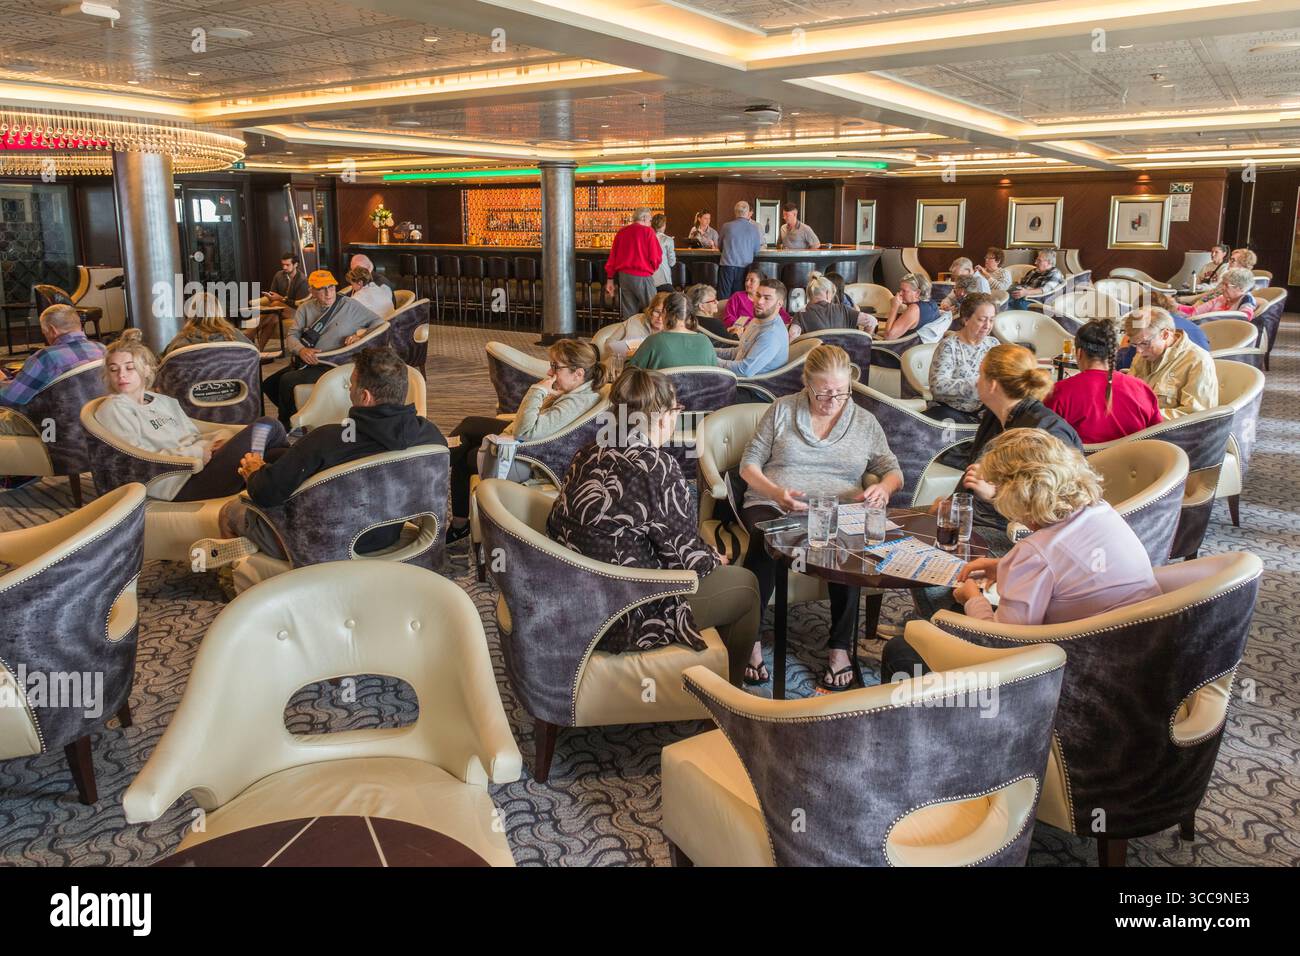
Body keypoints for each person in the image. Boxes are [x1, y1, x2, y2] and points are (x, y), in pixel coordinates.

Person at [881, 428, 1160, 679]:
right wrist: (1003, 565)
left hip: (1074, 673)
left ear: (1018, 493)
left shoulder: (1034, 553)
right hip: (1140, 656)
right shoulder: (1101, 511)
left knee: (902, 650)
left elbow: (1002, 644)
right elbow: (1069, 568)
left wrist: (971, 598)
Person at [546, 367, 761, 686]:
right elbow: (684, 558)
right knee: (746, 587)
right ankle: (728, 693)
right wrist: (713, 559)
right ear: (662, 417)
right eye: (676, 409)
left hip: (572, 592)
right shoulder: (658, 468)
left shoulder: (589, 451)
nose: (678, 416)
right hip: (627, 608)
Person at [738, 344, 903, 689]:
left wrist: (884, 489)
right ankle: (749, 639)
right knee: (768, 538)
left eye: (841, 393)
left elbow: (892, 470)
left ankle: (840, 648)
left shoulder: (864, 422)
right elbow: (748, 465)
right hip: (774, 501)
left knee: (848, 552)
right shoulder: (781, 409)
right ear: (806, 383)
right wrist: (774, 492)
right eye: (824, 392)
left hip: (836, 508)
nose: (832, 401)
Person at [199, 347, 446, 567]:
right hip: (387, 533)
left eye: (352, 386)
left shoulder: (326, 440)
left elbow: (265, 494)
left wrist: (254, 472)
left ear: (365, 397)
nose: (350, 390)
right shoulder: (431, 437)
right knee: (283, 457)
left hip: (316, 547)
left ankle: (238, 570)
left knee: (231, 510)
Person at [93, 330, 289, 502]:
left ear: (145, 369)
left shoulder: (161, 401)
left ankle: (286, 498)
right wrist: (198, 453)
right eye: (113, 370)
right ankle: (274, 489)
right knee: (267, 425)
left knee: (275, 456)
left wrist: (219, 439)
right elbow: (136, 460)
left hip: (202, 465)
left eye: (129, 367)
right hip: (179, 481)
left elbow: (193, 435)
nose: (121, 375)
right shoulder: (114, 408)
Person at [447, 339, 608, 539]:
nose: (550, 373)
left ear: (579, 373)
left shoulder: (575, 403)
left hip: (531, 457)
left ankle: (456, 519)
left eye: (556, 367)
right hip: (526, 440)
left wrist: (538, 390)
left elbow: (526, 432)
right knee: (470, 424)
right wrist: (548, 394)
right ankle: (436, 460)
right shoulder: (578, 390)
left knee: (468, 457)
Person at [263, 269, 387, 428]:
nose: (328, 293)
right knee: (269, 384)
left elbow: (379, 323)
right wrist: (301, 350)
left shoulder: (350, 305)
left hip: (334, 363)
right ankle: (301, 415)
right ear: (311, 291)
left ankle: (285, 424)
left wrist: (360, 336)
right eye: (321, 289)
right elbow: (292, 336)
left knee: (288, 381)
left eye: (331, 287)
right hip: (306, 361)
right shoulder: (305, 309)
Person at [1046, 319, 1162, 443]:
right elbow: (1157, 435)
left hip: (1081, 460)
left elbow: (1045, 439)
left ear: (1079, 353)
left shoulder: (1059, 391)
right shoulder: (1142, 389)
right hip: (1132, 460)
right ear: (1114, 351)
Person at [0, 304, 105, 438]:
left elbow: (10, 400)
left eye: (44, 333)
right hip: (95, 424)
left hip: (53, 426)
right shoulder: (102, 349)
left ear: (52, 330)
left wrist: (3, 381)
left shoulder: (46, 357)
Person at [1124, 307, 1218, 419]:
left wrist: (1143, 417)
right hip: (1135, 424)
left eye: (1144, 343)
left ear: (1165, 335)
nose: (1138, 351)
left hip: (1162, 433)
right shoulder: (1144, 354)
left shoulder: (1198, 361)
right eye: (1134, 344)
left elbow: (1197, 417)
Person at [926, 292, 998, 424]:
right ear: (966, 319)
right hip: (952, 412)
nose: (987, 326)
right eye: (982, 319)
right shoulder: (950, 346)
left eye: (991, 320)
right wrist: (978, 385)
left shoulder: (992, 344)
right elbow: (937, 386)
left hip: (984, 411)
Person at [1114, 290, 1209, 370]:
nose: (1139, 350)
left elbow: (1123, 364)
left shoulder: (1146, 331)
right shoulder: (1192, 325)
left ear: (1165, 335)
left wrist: (1124, 346)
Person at [716, 278, 790, 377]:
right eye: (758, 295)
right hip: (736, 377)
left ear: (779, 303)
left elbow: (744, 370)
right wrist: (708, 351)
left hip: (750, 387)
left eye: (767, 298)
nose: (759, 301)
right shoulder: (757, 320)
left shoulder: (771, 334)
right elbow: (739, 352)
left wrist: (710, 360)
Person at [629, 292, 715, 369]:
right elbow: (717, 376)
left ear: (665, 312)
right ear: (688, 316)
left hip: (661, 387)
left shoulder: (654, 341)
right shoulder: (705, 342)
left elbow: (629, 373)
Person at [603, 208, 662, 319]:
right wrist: (651, 269)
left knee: (629, 314)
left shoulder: (621, 232)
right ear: (644, 218)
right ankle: (651, 336)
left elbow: (612, 258)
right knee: (653, 310)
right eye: (650, 220)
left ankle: (631, 336)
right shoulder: (648, 231)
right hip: (642, 275)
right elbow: (656, 257)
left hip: (624, 277)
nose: (650, 223)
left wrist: (610, 278)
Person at [162, 292, 253, 356]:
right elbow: (254, 355)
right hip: (234, 383)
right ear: (219, 312)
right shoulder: (235, 336)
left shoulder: (179, 342)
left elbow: (161, 364)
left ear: (190, 313)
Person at [257, 252, 310, 349]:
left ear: (295, 264)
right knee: (273, 318)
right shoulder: (279, 275)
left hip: (296, 311)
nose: (284, 267)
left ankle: (250, 332)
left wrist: (280, 299)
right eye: (283, 265)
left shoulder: (302, 280)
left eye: (287, 265)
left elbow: (298, 305)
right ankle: (259, 351)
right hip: (279, 310)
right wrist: (270, 296)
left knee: (276, 304)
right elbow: (273, 292)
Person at [796, 272, 872, 334]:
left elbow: (792, 334)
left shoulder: (801, 314)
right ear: (827, 293)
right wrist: (862, 343)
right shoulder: (844, 310)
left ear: (809, 294)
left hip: (815, 352)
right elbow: (871, 321)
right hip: (843, 352)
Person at [603, 291, 670, 359]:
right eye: (657, 312)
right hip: (626, 364)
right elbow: (608, 344)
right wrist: (626, 353)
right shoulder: (636, 320)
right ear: (650, 310)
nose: (660, 318)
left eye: (665, 314)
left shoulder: (673, 330)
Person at [718, 201, 763, 298]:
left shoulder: (726, 226)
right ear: (747, 213)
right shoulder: (754, 228)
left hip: (727, 266)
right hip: (745, 267)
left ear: (735, 212)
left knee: (723, 296)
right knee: (740, 297)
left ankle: (723, 313)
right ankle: (738, 313)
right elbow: (756, 250)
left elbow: (720, 246)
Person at [724, 267, 792, 330]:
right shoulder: (737, 296)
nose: (747, 283)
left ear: (761, 283)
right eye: (746, 280)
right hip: (742, 334)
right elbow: (728, 318)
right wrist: (743, 327)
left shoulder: (771, 301)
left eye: (752, 281)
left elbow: (786, 318)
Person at [881, 273, 941, 340]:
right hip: (925, 348)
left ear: (917, 293)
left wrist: (894, 308)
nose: (900, 293)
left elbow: (888, 336)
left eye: (904, 291)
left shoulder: (914, 309)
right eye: (900, 290)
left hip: (902, 349)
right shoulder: (932, 303)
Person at [1184, 266, 1257, 321]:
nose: (1222, 288)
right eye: (1223, 284)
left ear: (1240, 288)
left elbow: (1244, 319)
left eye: (1226, 285)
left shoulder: (1246, 300)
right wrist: (1176, 307)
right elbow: (1195, 311)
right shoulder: (1221, 299)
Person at [650, 213, 676, 292]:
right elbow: (672, 262)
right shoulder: (668, 240)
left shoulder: (647, 238)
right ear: (664, 225)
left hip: (649, 279)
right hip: (663, 278)